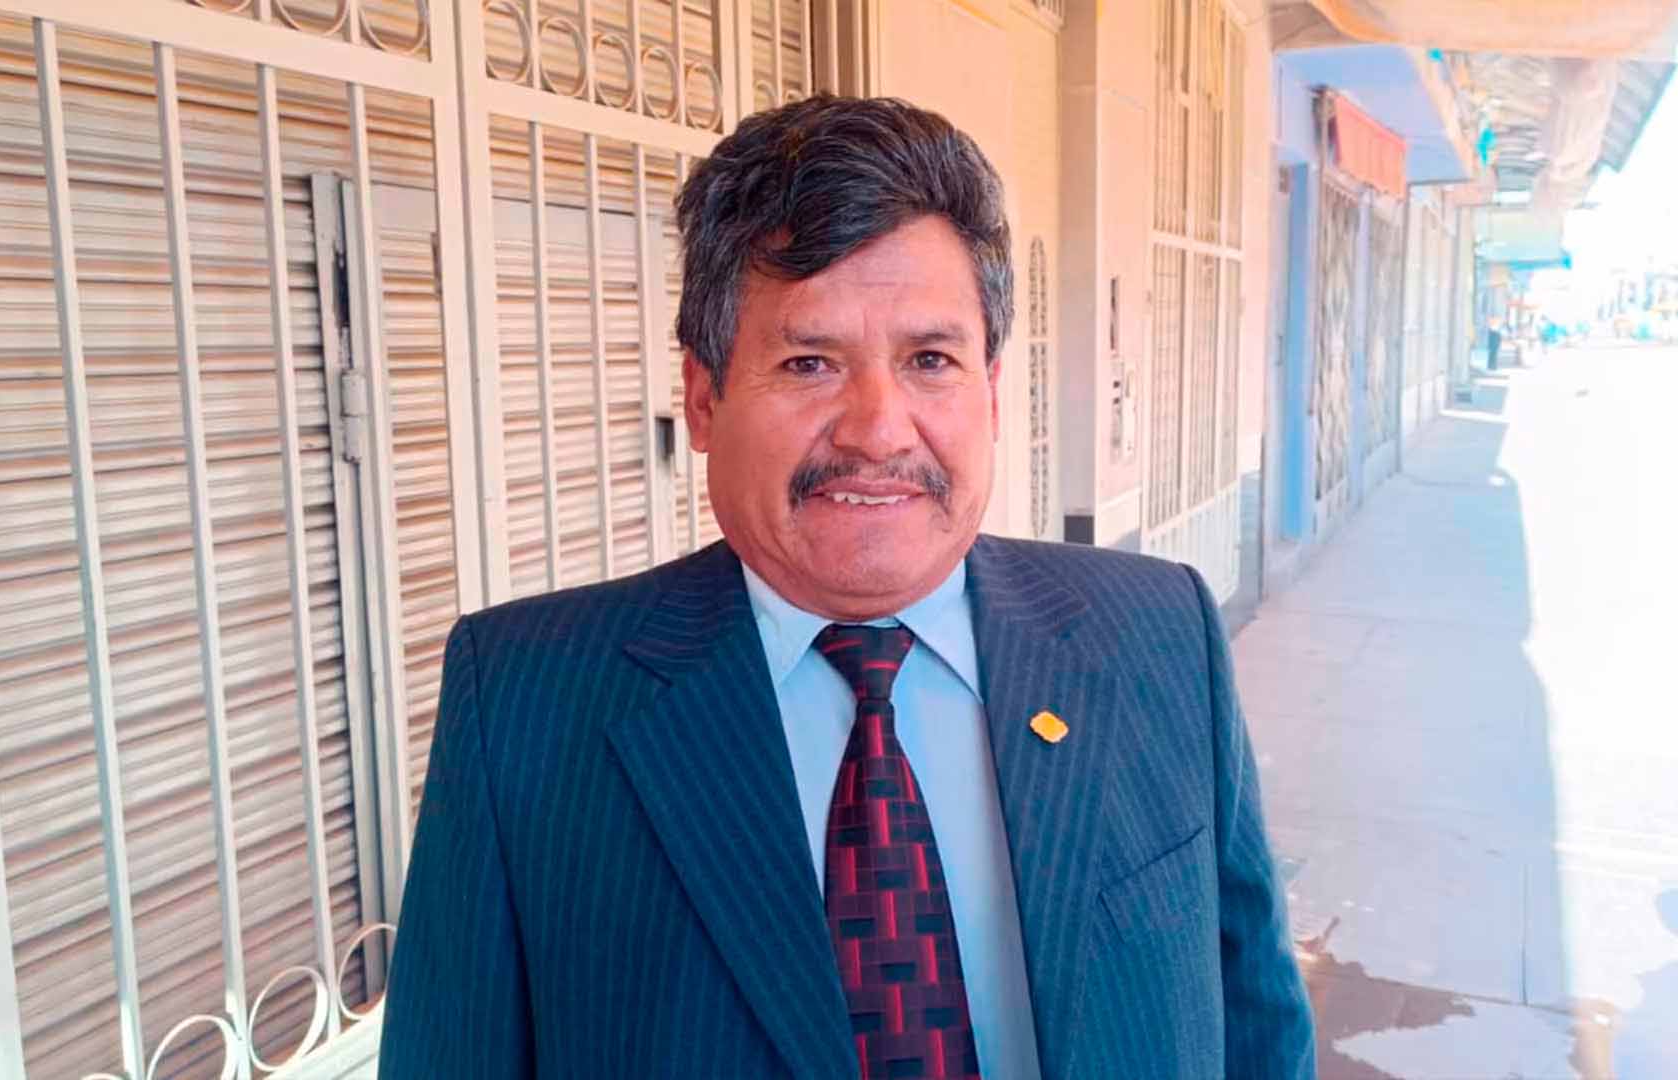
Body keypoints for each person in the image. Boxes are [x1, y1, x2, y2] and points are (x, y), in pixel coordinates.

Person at [377, 95, 1315, 1080]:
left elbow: (1258, 1025)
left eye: (930, 360)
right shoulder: (526, 703)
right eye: (809, 362)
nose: (878, 430)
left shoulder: (1159, 633)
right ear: (703, 398)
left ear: (992, 392)